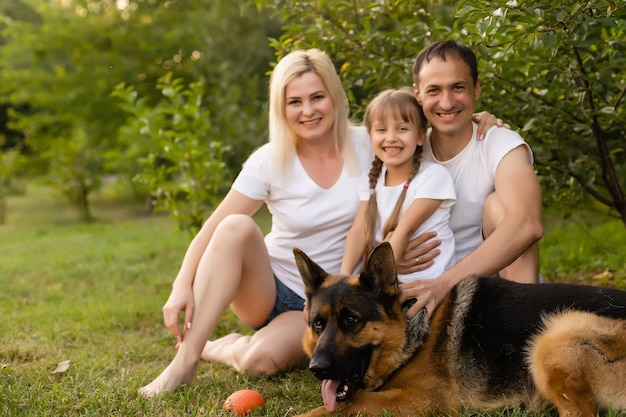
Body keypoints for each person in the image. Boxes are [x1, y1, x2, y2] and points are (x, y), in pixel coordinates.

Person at [138, 48, 503, 397]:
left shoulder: (371, 142)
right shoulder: (268, 160)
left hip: (335, 303)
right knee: (235, 226)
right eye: (294, 102)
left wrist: (476, 120)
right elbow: (213, 226)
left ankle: (226, 347)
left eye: (317, 97)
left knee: (258, 362)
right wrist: (181, 284)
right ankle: (185, 360)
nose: (308, 110)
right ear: (281, 108)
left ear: (335, 97)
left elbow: (420, 128)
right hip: (270, 287)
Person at [399, 40, 543, 320]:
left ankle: (520, 332)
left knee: (499, 206)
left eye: (458, 87)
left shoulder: (500, 143)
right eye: (434, 90)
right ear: (417, 94)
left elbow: (528, 224)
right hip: (420, 292)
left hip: (492, 292)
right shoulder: (405, 149)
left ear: (476, 88)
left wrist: (444, 284)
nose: (447, 102)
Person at [340, 88, 456, 283]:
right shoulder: (371, 179)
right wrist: (343, 277)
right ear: (370, 136)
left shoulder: (433, 177)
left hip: (430, 285)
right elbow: (359, 229)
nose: (391, 137)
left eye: (402, 129)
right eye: (381, 129)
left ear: (420, 136)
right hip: (390, 283)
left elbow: (404, 231)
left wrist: (371, 286)